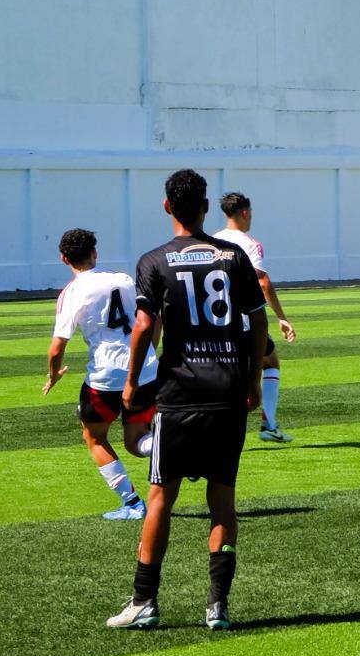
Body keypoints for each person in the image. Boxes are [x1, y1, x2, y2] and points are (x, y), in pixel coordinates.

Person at [107, 169, 267, 631]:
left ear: (166, 206)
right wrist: (252, 379)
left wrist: (133, 382)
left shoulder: (154, 260)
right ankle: (218, 606)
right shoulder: (233, 256)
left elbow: (143, 327)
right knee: (223, 501)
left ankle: (144, 602)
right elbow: (257, 324)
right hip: (227, 391)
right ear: (204, 207)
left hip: (178, 394)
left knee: (160, 497)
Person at [43, 228, 159, 520]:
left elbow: (57, 347)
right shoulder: (124, 280)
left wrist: (54, 375)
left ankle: (132, 503)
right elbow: (153, 316)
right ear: (95, 253)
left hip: (105, 377)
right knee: (136, 442)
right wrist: (149, 352)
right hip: (144, 371)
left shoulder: (72, 292)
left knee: (94, 437)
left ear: (63, 258)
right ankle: (176, 448)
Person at [214, 192, 296, 444]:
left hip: (214, 320)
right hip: (244, 322)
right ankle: (268, 424)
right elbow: (262, 280)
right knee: (268, 364)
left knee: (227, 377)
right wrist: (281, 317)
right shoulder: (249, 243)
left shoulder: (212, 240)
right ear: (245, 213)